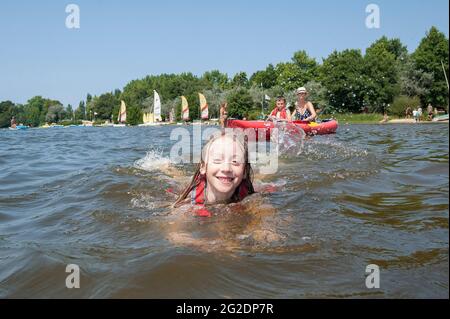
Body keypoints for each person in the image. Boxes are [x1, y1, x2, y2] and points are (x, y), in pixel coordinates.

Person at [174, 130, 255, 209]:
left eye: (235, 161)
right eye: (217, 160)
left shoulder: (250, 198)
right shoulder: (186, 206)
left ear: (244, 171)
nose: (226, 169)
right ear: (203, 167)